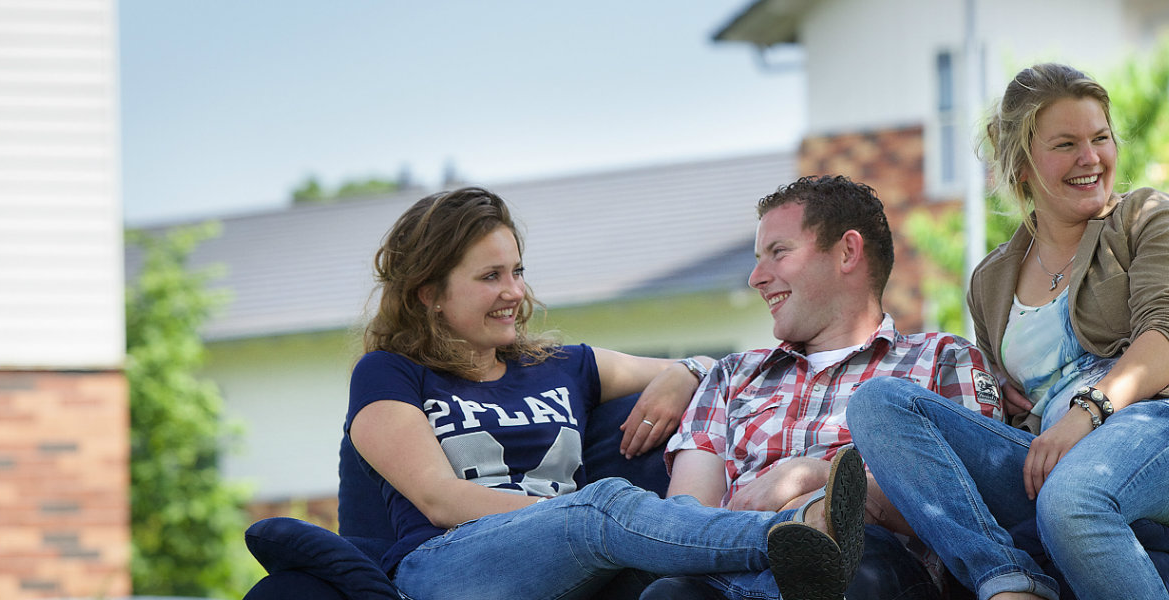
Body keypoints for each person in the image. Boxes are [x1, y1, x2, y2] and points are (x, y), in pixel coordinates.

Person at [846, 63, 1169, 600]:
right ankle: (1006, 580)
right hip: (1057, 454)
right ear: (1022, 164)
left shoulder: (1150, 217)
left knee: (1073, 498)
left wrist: (1086, 412)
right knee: (879, 403)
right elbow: (1012, 408)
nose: (1090, 158)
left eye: (1100, 138)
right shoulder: (992, 279)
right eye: (1066, 143)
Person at [347, 186, 867, 600]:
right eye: (490, 277)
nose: (514, 292)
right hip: (446, 569)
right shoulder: (389, 373)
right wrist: (569, 517)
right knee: (603, 506)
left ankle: (801, 574)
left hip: (573, 559)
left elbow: (716, 370)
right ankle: (798, 533)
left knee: (673, 578)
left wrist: (685, 370)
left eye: (517, 272)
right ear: (430, 294)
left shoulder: (564, 366)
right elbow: (440, 500)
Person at [639, 175, 1004, 600]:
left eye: (779, 253)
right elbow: (687, 523)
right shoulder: (731, 376)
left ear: (847, 252)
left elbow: (973, 507)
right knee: (669, 594)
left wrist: (818, 480)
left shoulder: (943, 360)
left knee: (863, 576)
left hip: (870, 567)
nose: (756, 278)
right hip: (737, 569)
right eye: (759, 258)